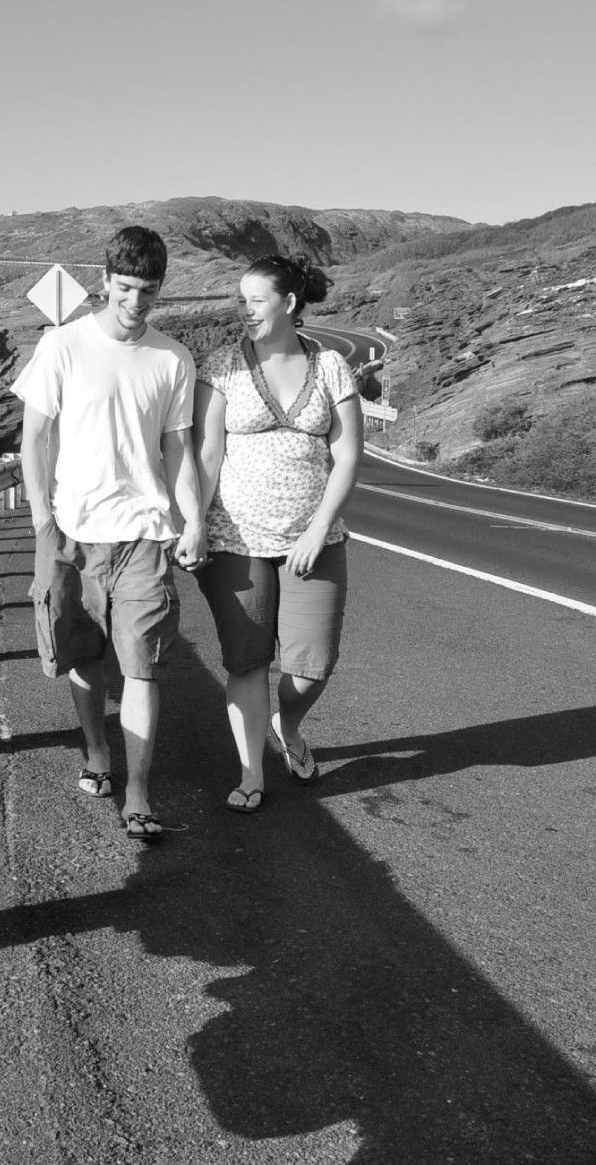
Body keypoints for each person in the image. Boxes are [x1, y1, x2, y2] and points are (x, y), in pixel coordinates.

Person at [12, 226, 204, 842]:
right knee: (85, 656)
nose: (136, 302)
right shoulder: (63, 347)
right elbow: (34, 439)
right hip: (72, 533)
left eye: (148, 291)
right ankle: (96, 751)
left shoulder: (173, 358)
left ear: (160, 289)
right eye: (125, 288)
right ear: (104, 281)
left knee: (142, 665)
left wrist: (192, 519)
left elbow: (178, 450)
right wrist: (44, 520)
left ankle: (140, 792)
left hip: (145, 535)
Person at [190, 254, 363, 812]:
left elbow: (347, 454)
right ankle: (250, 772)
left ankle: (290, 728)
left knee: (312, 663)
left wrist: (317, 531)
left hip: (314, 540)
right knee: (245, 662)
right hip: (233, 542)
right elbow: (208, 453)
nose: (246, 310)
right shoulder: (221, 366)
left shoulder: (331, 364)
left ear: (288, 303)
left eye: (256, 300)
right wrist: (192, 523)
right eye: (241, 300)